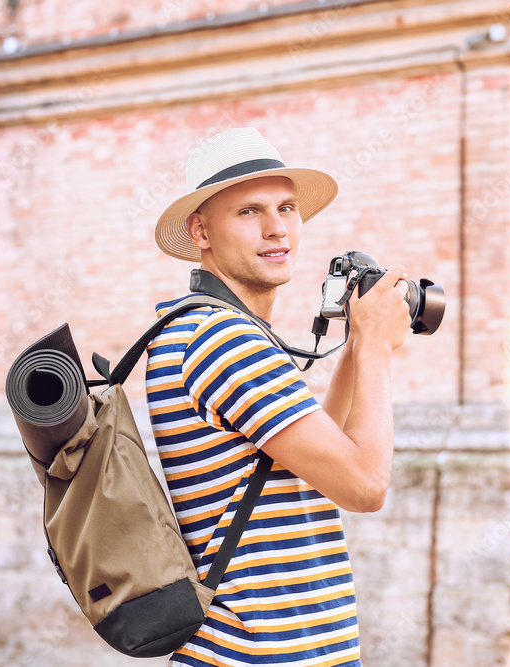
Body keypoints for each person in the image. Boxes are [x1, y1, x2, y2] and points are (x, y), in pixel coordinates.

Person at [145, 126, 412, 666]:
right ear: (201, 230)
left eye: (287, 208)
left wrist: (360, 342)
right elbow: (364, 486)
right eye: (249, 212)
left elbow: (320, 459)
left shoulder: (208, 329)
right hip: (261, 652)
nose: (277, 229)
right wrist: (380, 350)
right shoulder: (221, 340)